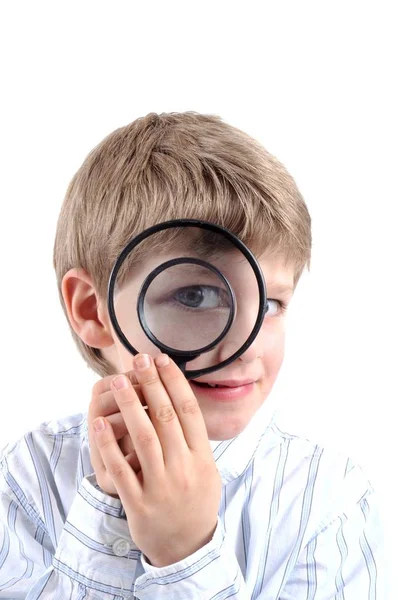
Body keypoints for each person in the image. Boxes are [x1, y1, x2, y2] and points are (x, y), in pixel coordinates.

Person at [0, 112, 386, 598]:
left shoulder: (328, 500)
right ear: (92, 311)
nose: (245, 345)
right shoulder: (29, 478)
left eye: (270, 305)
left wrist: (187, 555)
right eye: (197, 297)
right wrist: (107, 518)